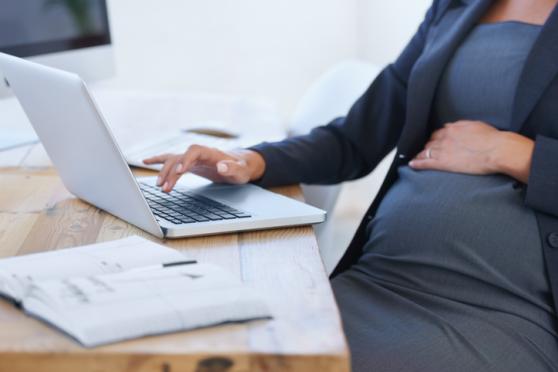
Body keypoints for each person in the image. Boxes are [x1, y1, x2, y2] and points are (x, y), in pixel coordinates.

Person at [144, 0, 558, 370]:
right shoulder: (454, 7)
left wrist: (514, 154)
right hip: (382, 277)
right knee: (228, 348)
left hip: (500, 306)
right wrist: (251, 161)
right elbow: (357, 138)